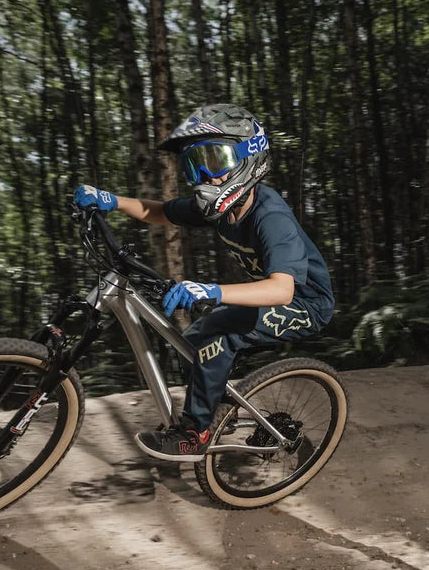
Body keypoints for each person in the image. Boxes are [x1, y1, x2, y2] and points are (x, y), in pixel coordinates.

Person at [73, 103, 334, 461]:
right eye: (194, 165)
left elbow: (282, 289)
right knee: (191, 340)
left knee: (214, 341)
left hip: (304, 304)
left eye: (216, 160)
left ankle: (194, 435)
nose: (204, 175)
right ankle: (218, 413)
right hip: (268, 295)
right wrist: (111, 200)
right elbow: (161, 211)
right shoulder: (222, 205)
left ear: (248, 157)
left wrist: (211, 290)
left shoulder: (271, 217)